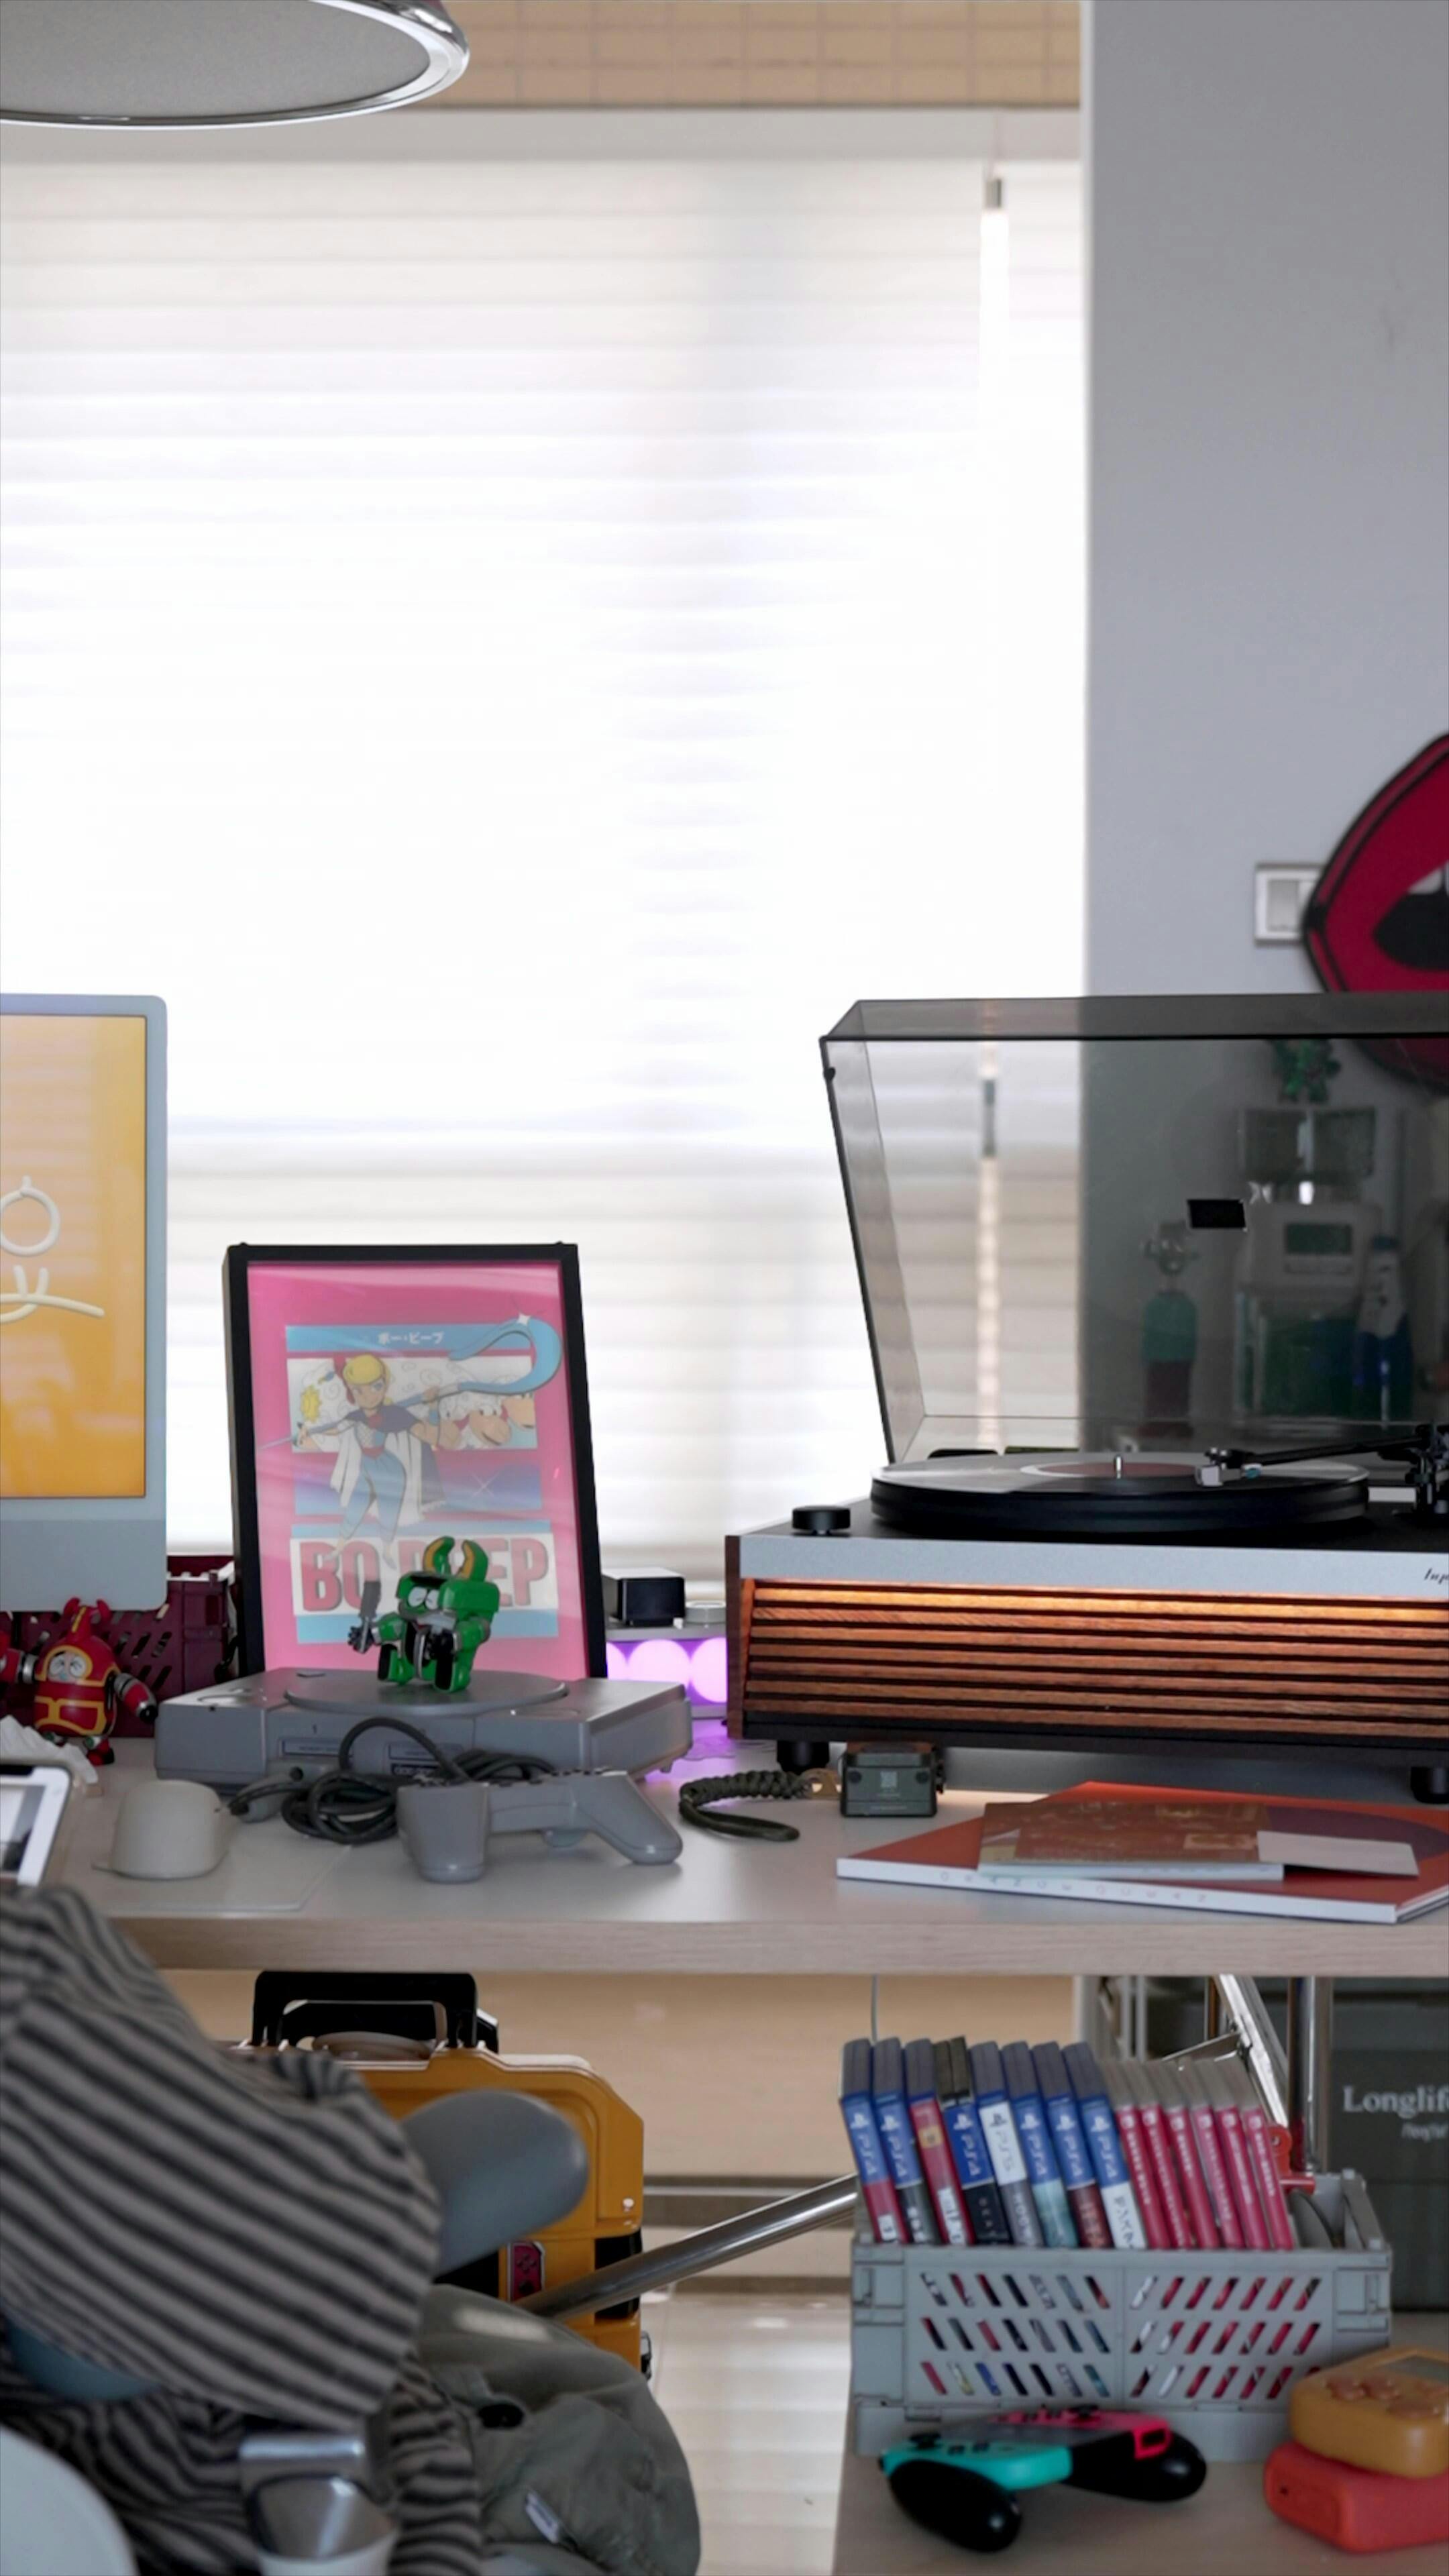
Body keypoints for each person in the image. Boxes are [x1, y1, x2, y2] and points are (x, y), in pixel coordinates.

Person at [0, 1887, 700, 2575]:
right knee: (601, 2426)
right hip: (297, 2515)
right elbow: (308, 2255)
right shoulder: (21, 1982)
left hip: (79, 2499)